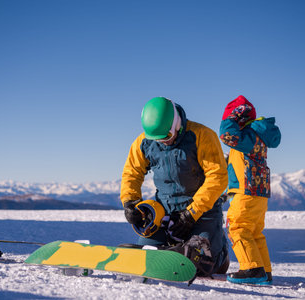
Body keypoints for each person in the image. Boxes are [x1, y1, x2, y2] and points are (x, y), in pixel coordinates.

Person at [120, 96, 229, 276]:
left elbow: (217, 177)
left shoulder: (202, 135)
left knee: (200, 266)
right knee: (147, 260)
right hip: (164, 209)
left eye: (167, 136)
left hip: (202, 210)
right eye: (158, 139)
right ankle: (173, 246)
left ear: (176, 124)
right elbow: (132, 172)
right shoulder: (144, 142)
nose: (163, 141)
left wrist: (191, 214)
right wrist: (130, 201)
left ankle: (220, 252)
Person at [219, 95, 281, 285]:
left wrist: (230, 119)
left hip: (246, 193)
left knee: (237, 227)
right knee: (254, 232)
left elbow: (226, 134)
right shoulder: (256, 137)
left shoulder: (247, 135)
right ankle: (264, 271)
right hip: (258, 194)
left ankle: (252, 269)